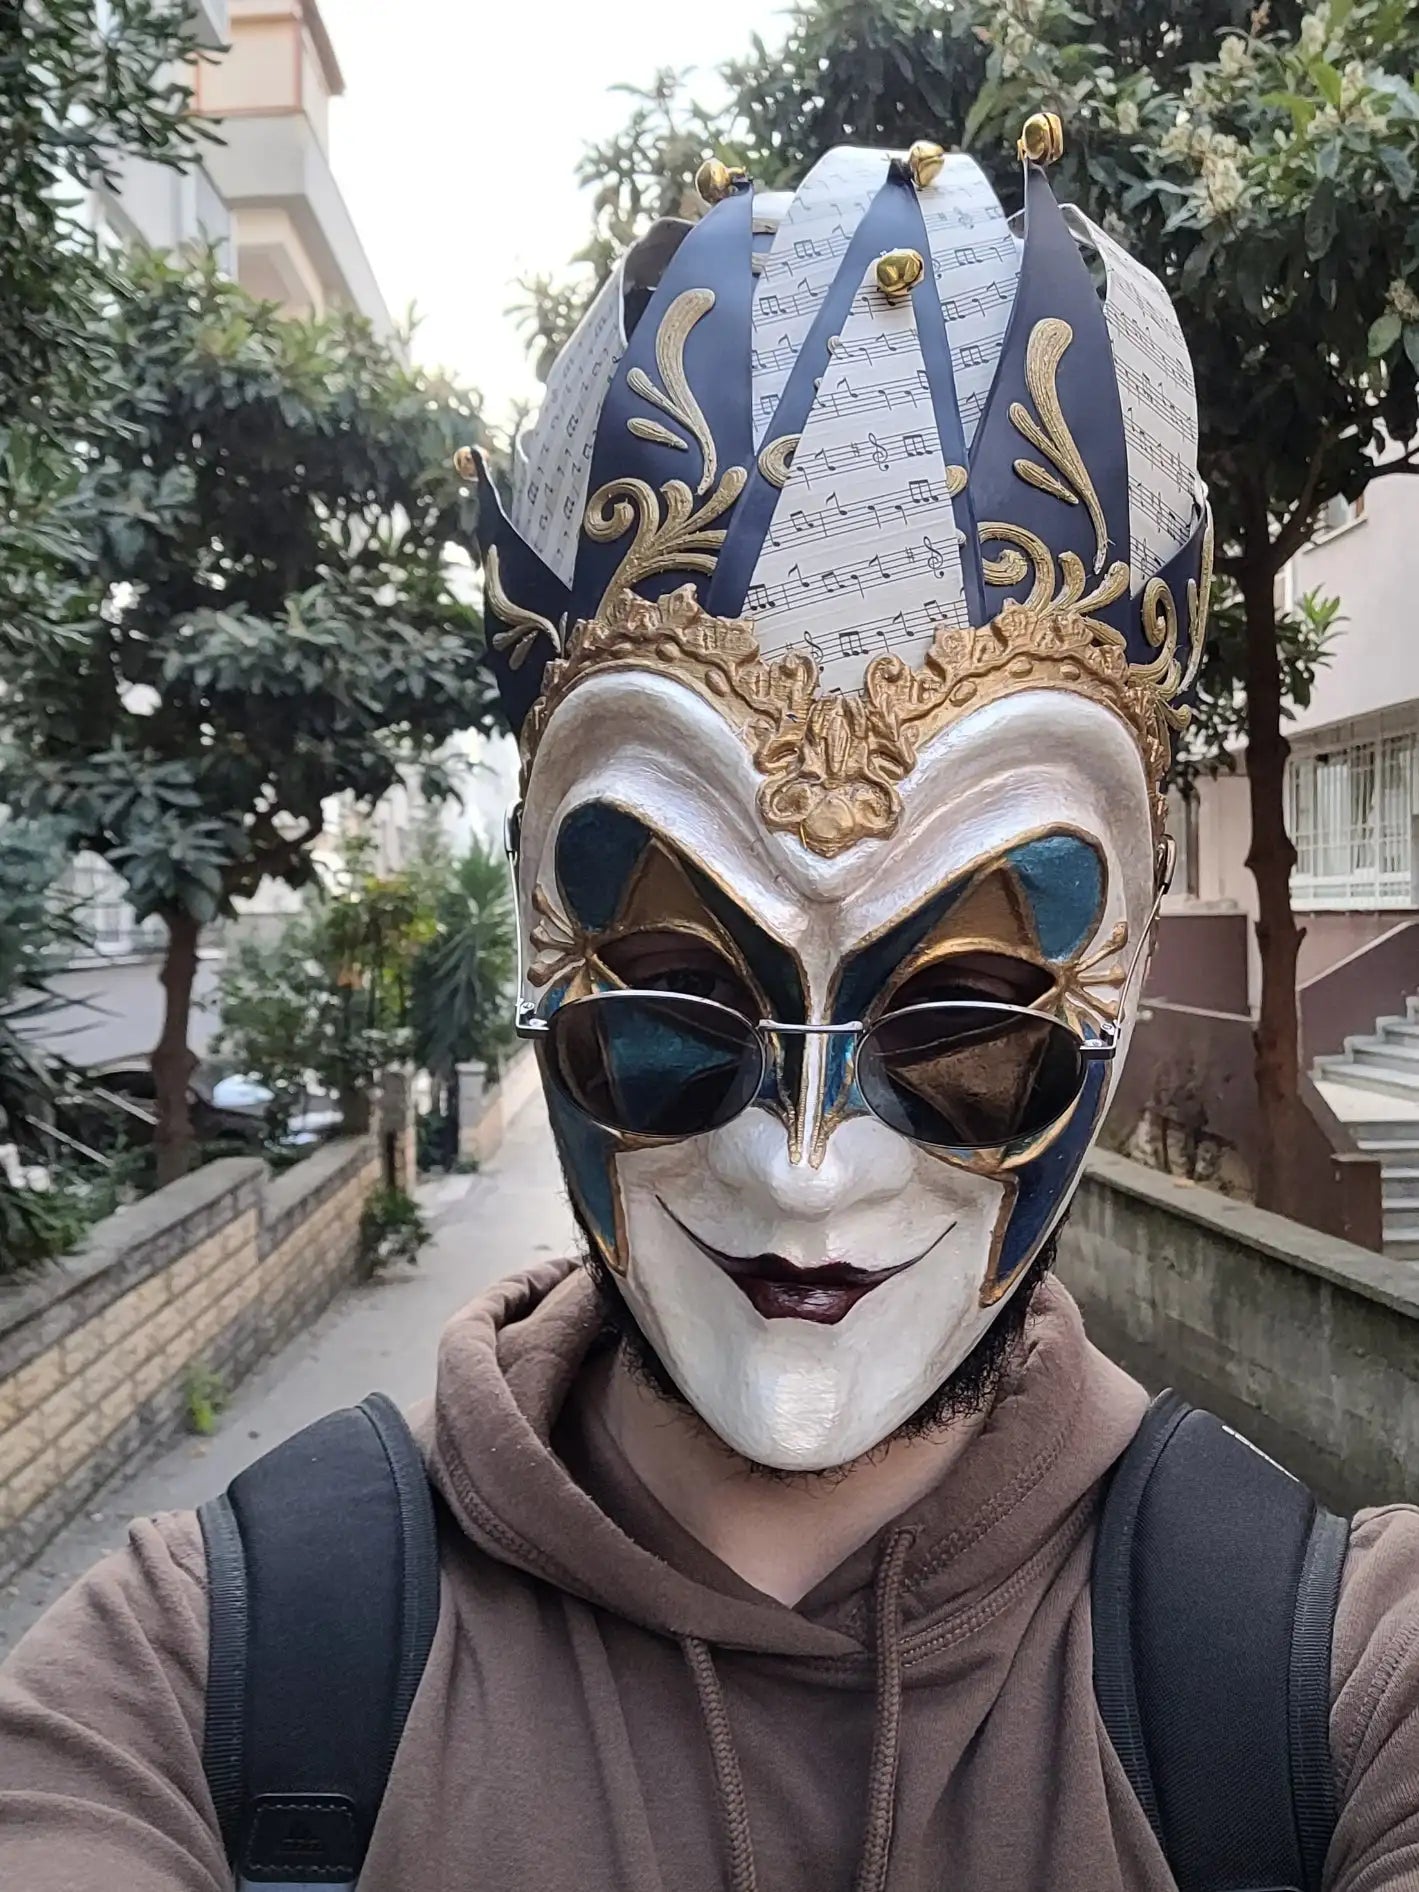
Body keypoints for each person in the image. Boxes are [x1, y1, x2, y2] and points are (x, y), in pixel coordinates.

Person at [3, 123, 1418, 1892]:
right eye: (672, 997)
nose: (810, 1173)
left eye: (966, 1019)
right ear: (544, 932)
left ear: (1114, 974)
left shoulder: (1327, 1684)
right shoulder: (223, 1676)